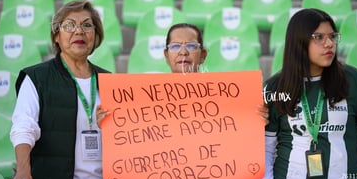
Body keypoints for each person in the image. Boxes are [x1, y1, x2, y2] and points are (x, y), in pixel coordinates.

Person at [260, 8, 357, 179]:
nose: (329, 44)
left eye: (332, 36)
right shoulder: (274, 87)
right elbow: (267, 145)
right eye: (319, 37)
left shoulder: (353, 79)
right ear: (299, 42)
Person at [7, 0, 110, 179]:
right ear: (56, 36)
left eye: (87, 25)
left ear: (95, 35)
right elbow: (24, 127)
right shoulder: (37, 78)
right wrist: (23, 172)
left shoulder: (109, 81)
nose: (79, 31)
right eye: (69, 25)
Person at [97, 22, 269, 127]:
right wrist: (107, 122)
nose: (183, 52)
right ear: (166, 55)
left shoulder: (224, 96)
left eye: (192, 46)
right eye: (175, 46)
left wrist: (255, 119)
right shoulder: (147, 98)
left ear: (203, 55)